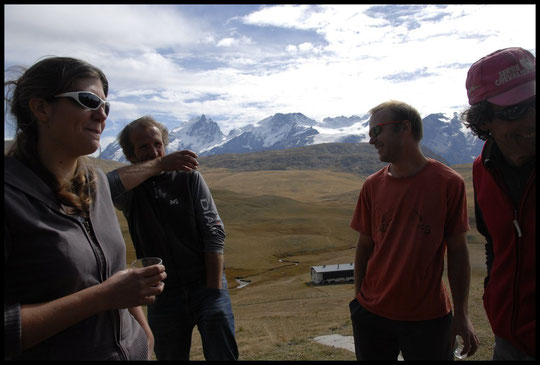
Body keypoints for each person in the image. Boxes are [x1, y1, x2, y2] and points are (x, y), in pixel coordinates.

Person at [4, 57, 166, 360]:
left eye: (106, 107)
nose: (101, 115)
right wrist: (102, 298)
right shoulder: (10, 195)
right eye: (89, 101)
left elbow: (115, 271)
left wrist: (144, 336)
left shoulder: (97, 184)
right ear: (41, 109)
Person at [348, 100, 479, 360]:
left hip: (428, 318)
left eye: (376, 131)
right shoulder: (372, 185)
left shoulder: (448, 183)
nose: (371, 140)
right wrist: (359, 302)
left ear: (404, 128)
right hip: (371, 316)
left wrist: (462, 315)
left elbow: (457, 250)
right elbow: (364, 246)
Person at [106, 115, 239, 361]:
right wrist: (159, 165)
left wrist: (213, 292)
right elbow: (104, 187)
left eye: (157, 144)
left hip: (206, 284)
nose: (153, 151)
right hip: (163, 294)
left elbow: (214, 232)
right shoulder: (130, 191)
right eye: (143, 147)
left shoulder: (188, 177)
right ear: (130, 155)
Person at [462, 47, 535, 360]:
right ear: (484, 120)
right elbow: (495, 242)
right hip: (508, 336)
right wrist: (495, 296)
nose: (533, 119)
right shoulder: (482, 170)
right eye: (515, 110)